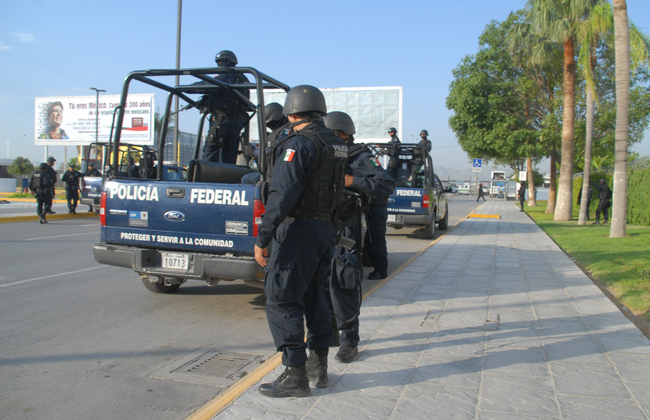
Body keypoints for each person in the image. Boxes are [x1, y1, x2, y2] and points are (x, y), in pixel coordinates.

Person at [254, 85, 348, 398]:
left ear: (291, 113)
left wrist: (264, 236)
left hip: (297, 232)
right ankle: (318, 366)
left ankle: (295, 374)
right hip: (324, 231)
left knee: (281, 298)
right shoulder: (336, 143)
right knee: (315, 297)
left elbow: (283, 193)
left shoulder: (298, 143)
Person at [323, 111, 395, 367]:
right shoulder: (323, 154)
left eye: (330, 134)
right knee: (321, 283)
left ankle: (349, 341)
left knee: (344, 282)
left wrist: (353, 180)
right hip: (321, 226)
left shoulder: (359, 156)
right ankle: (329, 332)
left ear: (342, 133)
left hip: (346, 228)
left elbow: (386, 184)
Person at [201, 50, 251, 164]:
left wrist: (192, 87)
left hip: (223, 121)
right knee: (229, 156)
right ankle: (228, 174)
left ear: (227, 62)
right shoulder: (241, 77)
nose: (219, 65)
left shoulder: (228, 75)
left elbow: (208, 85)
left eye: (220, 62)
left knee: (210, 154)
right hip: (236, 121)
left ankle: (205, 175)